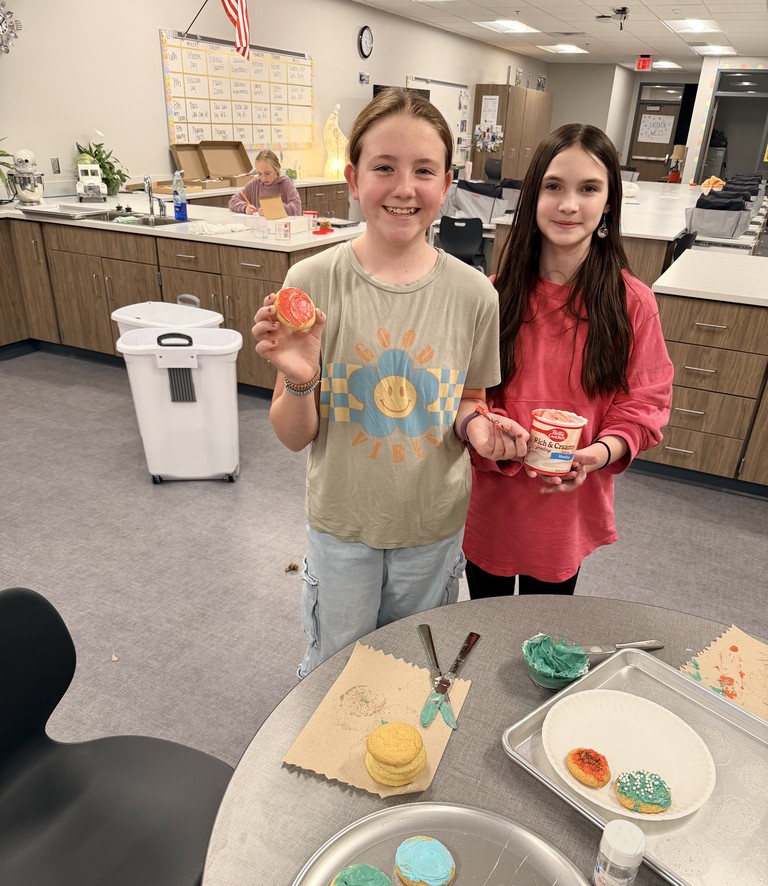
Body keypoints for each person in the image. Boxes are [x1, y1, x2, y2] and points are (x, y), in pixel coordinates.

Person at [251, 88, 523, 676]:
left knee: (412, 667)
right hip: (344, 522)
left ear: (446, 182)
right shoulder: (312, 280)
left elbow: (467, 400)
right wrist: (301, 382)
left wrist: (480, 429)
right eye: (384, 168)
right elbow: (295, 436)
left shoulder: (476, 294)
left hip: (431, 524)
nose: (404, 188)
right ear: (353, 178)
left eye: (423, 170)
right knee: (336, 668)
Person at [462, 123, 674, 598]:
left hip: (566, 506)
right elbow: (465, 394)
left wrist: (599, 453)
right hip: (493, 499)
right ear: (533, 195)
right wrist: (489, 430)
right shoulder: (491, 296)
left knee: (544, 631)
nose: (569, 204)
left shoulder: (631, 304)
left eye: (588, 188)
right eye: (553, 186)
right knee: (483, 619)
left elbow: (645, 402)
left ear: (608, 203)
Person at [228, 149, 302, 216]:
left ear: (276, 169)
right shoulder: (255, 184)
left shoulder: (286, 184)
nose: (263, 178)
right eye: (259, 174)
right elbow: (233, 201)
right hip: (260, 228)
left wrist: (274, 208)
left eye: (267, 173)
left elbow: (296, 209)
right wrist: (244, 208)